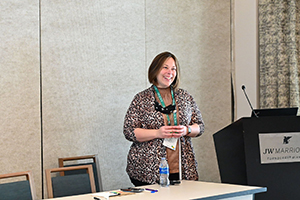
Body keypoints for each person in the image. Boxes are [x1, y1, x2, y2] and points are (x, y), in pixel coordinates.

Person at [123, 51, 204, 186]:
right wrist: (157, 133)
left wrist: (186, 129)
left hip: (183, 168)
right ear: (155, 70)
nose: (169, 72)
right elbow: (129, 131)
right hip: (147, 170)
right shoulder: (141, 99)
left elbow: (200, 126)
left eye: (173, 69)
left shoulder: (185, 96)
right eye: (165, 67)